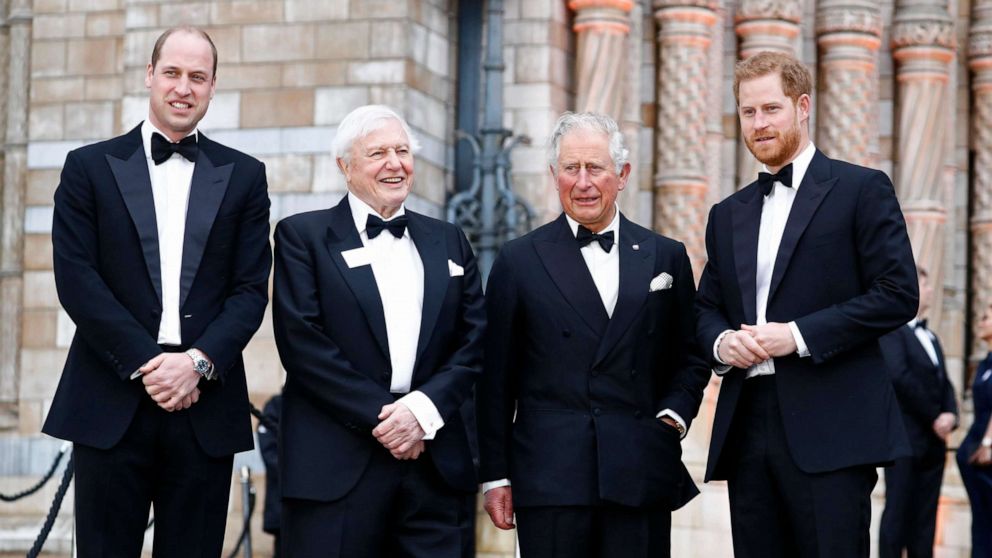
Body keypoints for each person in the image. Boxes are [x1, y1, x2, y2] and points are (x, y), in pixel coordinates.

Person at [42, 27, 272, 556]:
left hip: (204, 404)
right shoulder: (88, 167)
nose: (183, 88)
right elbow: (76, 279)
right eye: (172, 73)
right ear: (150, 76)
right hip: (110, 398)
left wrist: (196, 364)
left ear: (213, 86)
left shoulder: (245, 177)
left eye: (198, 77)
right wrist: (151, 363)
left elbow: (249, 291)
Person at [695, 51, 919, 557]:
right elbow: (705, 307)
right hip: (747, 428)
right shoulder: (726, 213)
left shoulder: (862, 189)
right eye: (748, 112)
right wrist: (723, 340)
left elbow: (897, 293)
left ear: (802, 107)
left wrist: (796, 336)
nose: (759, 123)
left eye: (771, 109)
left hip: (832, 428)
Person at [477, 111, 710, 558]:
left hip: (640, 468)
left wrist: (674, 417)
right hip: (550, 479)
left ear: (621, 175)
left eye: (595, 168)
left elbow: (692, 354)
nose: (582, 182)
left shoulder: (666, 255)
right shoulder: (518, 261)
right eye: (571, 168)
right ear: (554, 175)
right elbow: (493, 381)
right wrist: (495, 475)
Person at [271, 104, 485, 557]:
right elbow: (303, 343)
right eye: (378, 153)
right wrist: (388, 419)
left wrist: (422, 414)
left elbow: (474, 340)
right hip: (336, 467)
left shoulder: (449, 240)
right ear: (345, 167)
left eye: (403, 151)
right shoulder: (301, 237)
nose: (395, 163)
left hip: (433, 467)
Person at [878, 267, 958, 558]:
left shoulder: (932, 337)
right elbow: (899, 377)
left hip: (934, 444)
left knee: (925, 519)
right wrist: (934, 417)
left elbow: (944, 382)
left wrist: (952, 414)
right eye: (926, 285)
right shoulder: (892, 333)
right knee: (897, 514)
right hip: (905, 440)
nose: (932, 291)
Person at [957, 304, 992, 558]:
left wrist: (989, 443)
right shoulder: (985, 362)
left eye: (987, 316)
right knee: (980, 522)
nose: (981, 321)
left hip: (987, 453)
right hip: (974, 454)